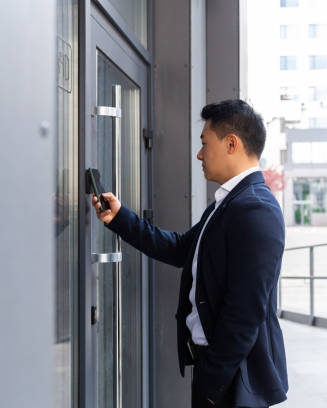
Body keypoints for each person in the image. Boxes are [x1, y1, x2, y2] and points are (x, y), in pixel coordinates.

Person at [92, 99, 288, 408]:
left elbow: (245, 312)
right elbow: (182, 248)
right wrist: (120, 218)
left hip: (233, 382)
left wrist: (212, 383)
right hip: (219, 375)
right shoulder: (228, 204)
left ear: (232, 144)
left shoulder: (256, 210)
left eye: (204, 143)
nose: (199, 154)